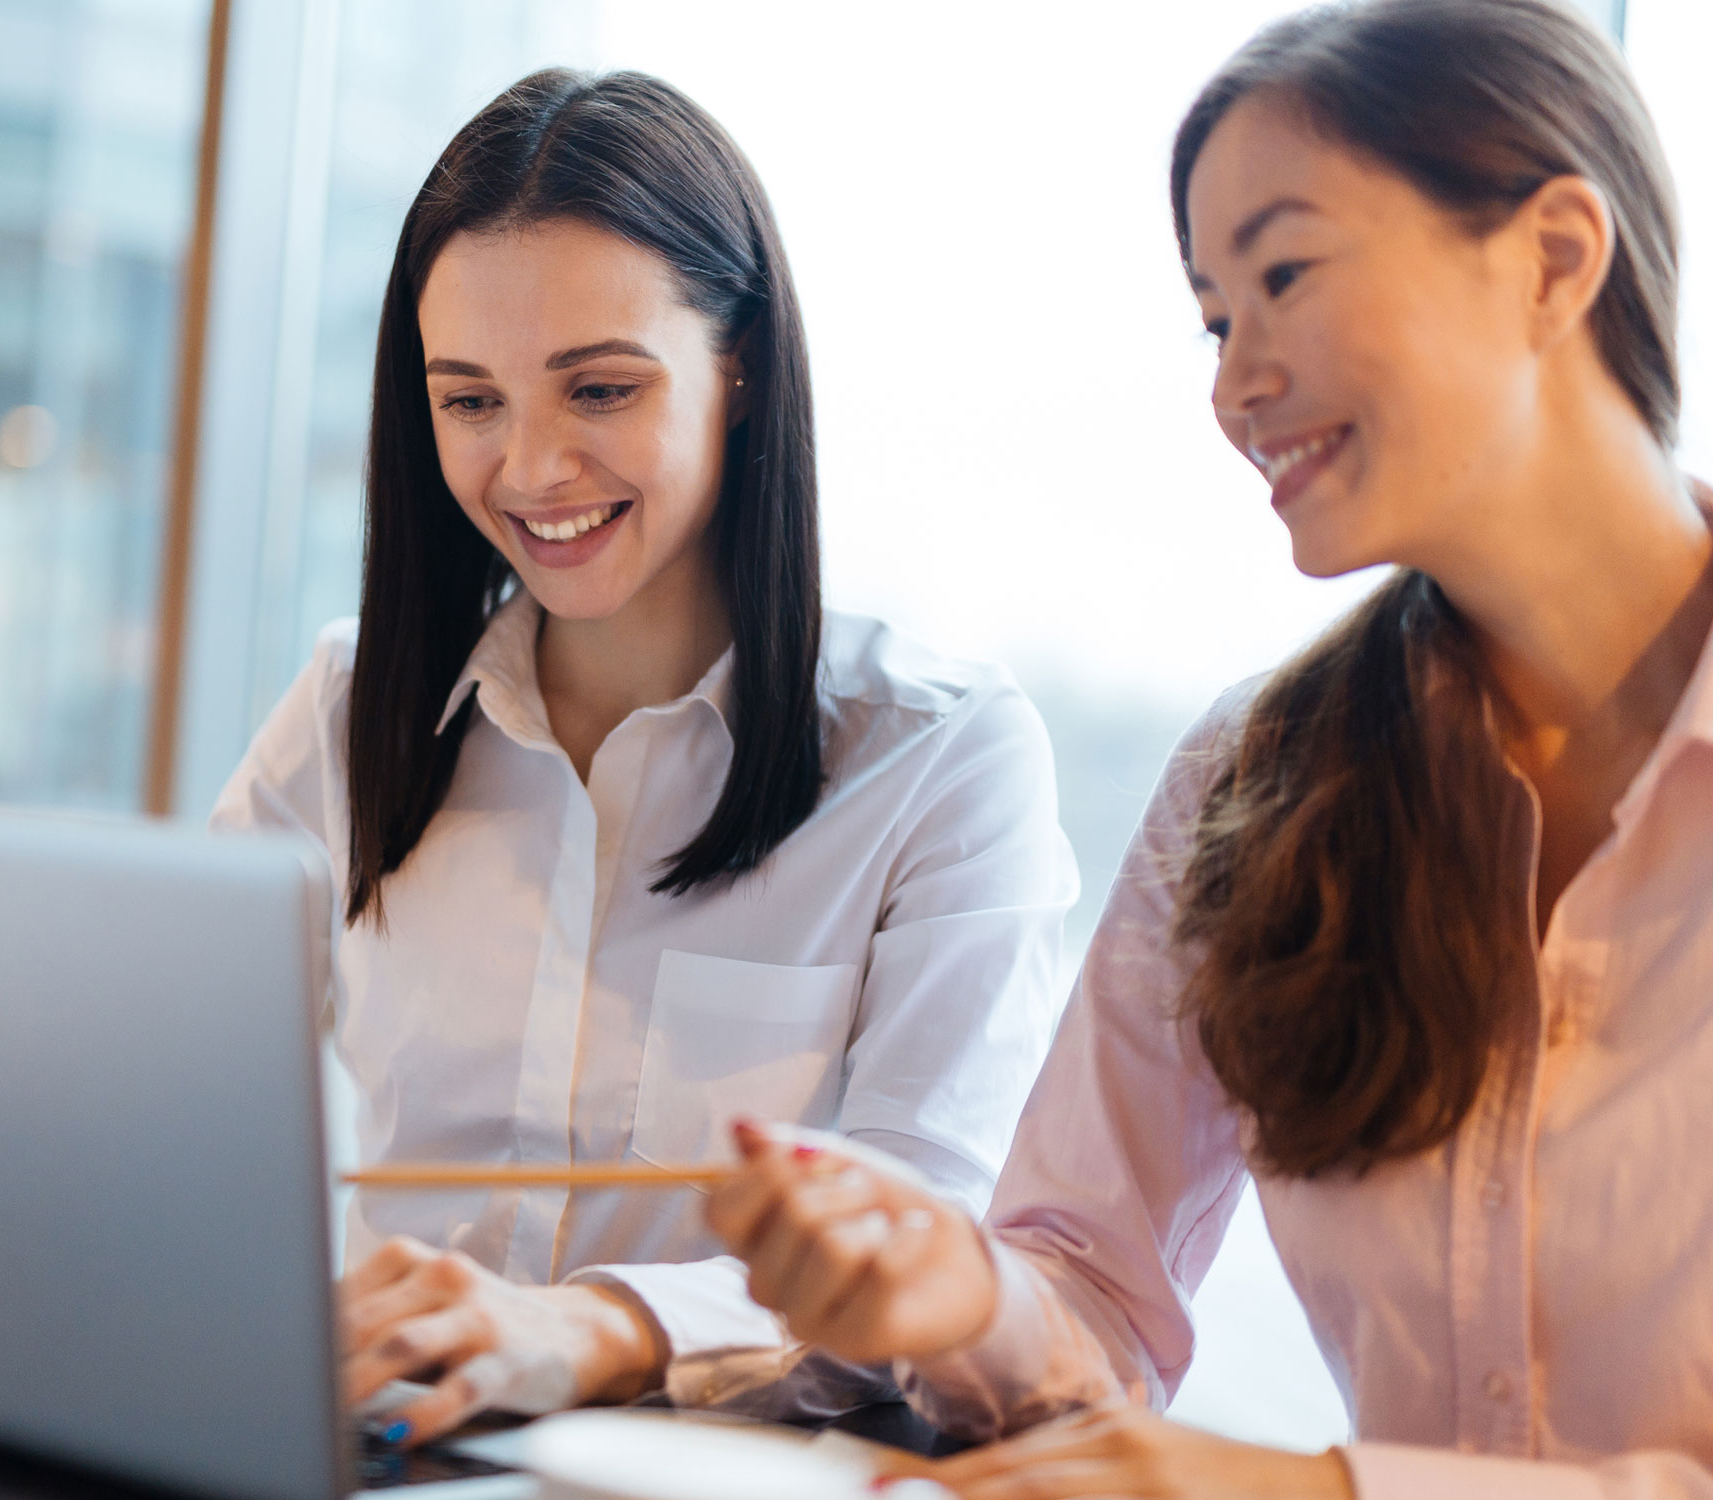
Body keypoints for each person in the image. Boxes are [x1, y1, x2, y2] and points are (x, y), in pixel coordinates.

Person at [706, 1, 1713, 1495]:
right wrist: (955, 1293)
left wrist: (1314, 1490)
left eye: (1284, 275)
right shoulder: (1256, 779)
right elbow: (1092, 1292)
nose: (1234, 387)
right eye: (1215, 317)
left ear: (1556, 257)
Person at [211, 68, 1077, 1446]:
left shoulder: (938, 761)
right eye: (470, 402)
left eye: (600, 388)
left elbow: (938, 1265)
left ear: (741, 370)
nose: (533, 468)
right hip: (393, 1459)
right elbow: (171, 1110)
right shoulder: (350, 704)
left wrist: (594, 1328)